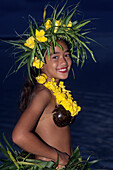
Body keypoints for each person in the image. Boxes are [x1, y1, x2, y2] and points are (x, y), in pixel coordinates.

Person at [9, 2, 95, 169]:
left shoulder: (55, 91)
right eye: (55, 57)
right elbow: (19, 136)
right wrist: (58, 157)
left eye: (66, 55)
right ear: (40, 63)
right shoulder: (44, 94)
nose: (64, 62)